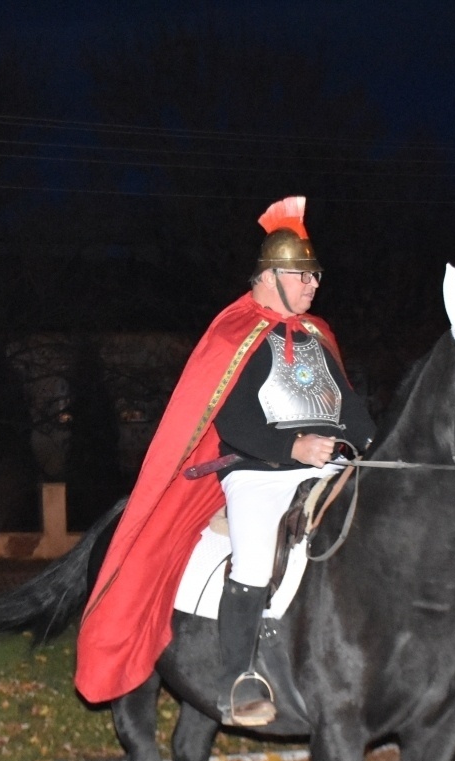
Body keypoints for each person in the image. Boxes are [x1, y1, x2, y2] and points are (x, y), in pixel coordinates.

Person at [75, 197, 376, 726]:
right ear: (267, 277)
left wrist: (375, 448)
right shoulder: (238, 334)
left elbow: (347, 406)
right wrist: (294, 449)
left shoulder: (317, 337)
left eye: (314, 275)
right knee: (255, 557)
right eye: (301, 275)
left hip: (324, 470)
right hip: (258, 474)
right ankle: (239, 676)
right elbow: (232, 422)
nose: (312, 285)